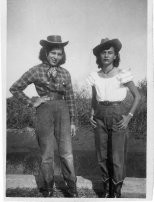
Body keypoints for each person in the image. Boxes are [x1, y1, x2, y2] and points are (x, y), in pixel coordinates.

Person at [9, 35, 78, 197]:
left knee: (66, 153)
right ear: (46, 52)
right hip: (44, 111)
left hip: (63, 111)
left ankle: (72, 187)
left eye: (59, 54)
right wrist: (32, 101)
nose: (56, 57)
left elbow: (70, 98)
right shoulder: (36, 70)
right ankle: (48, 187)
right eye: (53, 53)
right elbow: (15, 88)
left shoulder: (65, 73)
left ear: (63, 56)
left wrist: (73, 121)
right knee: (47, 154)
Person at [86, 38, 141, 198]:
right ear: (99, 56)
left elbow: (137, 96)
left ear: (115, 55)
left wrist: (128, 117)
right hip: (100, 116)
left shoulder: (122, 74)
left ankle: (116, 192)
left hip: (118, 114)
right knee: (101, 155)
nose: (106, 55)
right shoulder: (94, 76)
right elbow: (94, 97)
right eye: (103, 52)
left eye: (110, 52)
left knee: (117, 156)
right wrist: (91, 114)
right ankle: (106, 189)